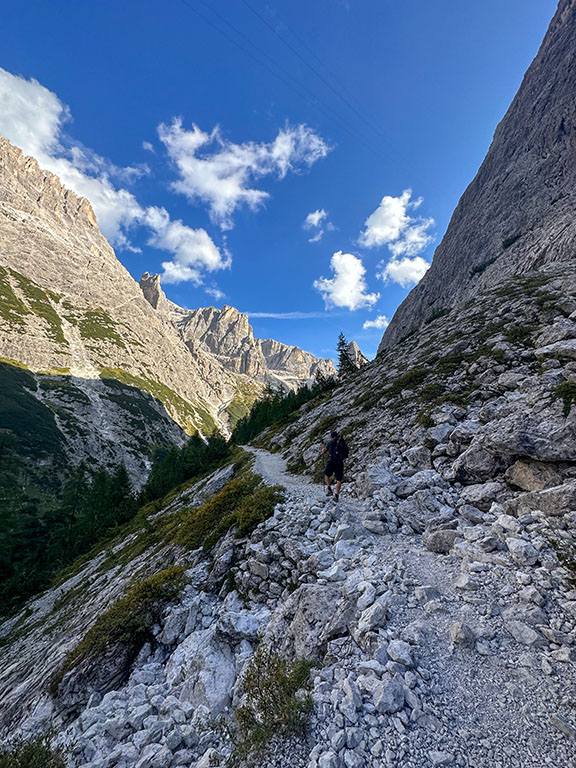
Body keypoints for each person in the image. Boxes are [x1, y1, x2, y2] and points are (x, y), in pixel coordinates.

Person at [321, 430, 349, 502]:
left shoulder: (330, 442)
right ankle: (336, 495)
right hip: (340, 462)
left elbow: (323, 452)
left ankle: (329, 488)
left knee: (326, 474)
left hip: (332, 460)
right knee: (339, 479)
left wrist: (323, 447)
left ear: (331, 437)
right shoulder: (342, 442)